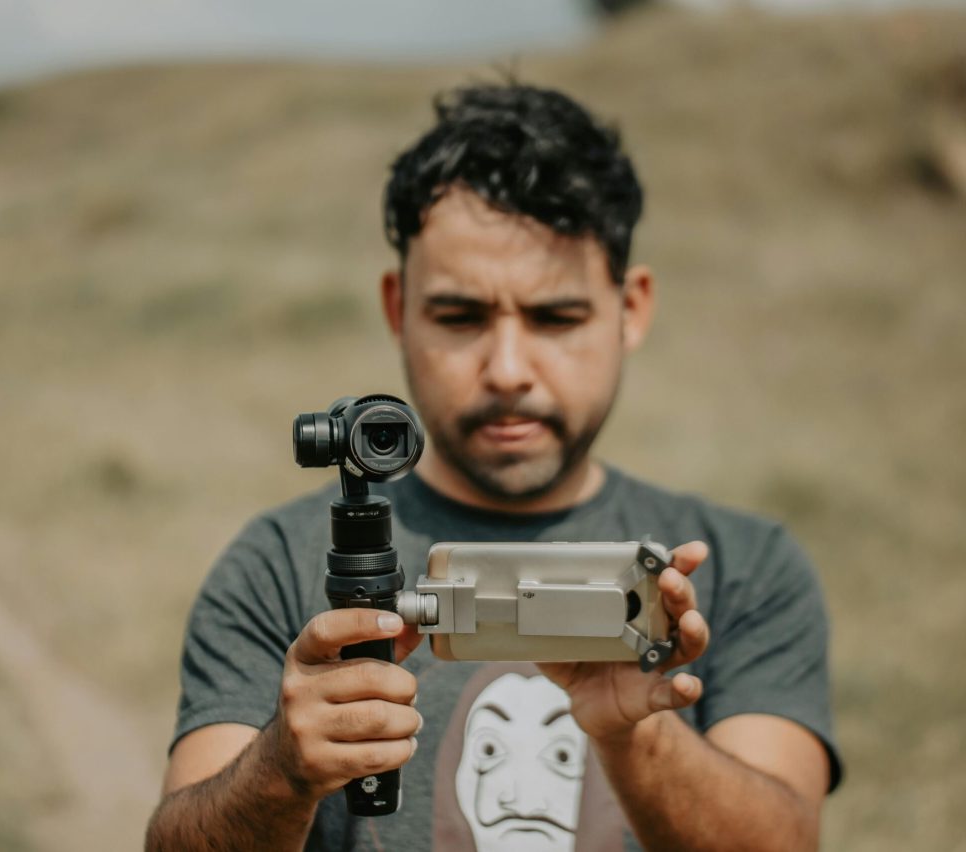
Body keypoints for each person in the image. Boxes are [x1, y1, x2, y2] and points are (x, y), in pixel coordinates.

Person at [145, 82, 843, 852]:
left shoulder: (743, 567)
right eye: (459, 316)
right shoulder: (282, 562)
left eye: (555, 317)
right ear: (396, 308)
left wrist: (633, 734)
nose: (507, 368)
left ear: (631, 309)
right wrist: (281, 768)